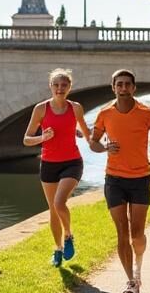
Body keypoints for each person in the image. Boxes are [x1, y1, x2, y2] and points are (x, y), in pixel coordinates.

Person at [90, 70, 150, 293]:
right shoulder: (105, 114)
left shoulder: (147, 112)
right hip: (113, 179)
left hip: (140, 178)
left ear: (134, 88)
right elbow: (93, 142)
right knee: (121, 232)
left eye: (127, 85)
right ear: (113, 87)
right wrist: (104, 148)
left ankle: (138, 269)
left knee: (137, 235)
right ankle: (131, 282)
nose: (123, 88)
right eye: (119, 84)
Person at [23, 68, 96, 267]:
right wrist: (42, 138)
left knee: (59, 203)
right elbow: (26, 139)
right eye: (56, 85)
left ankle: (68, 235)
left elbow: (87, 133)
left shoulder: (76, 108)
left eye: (64, 85)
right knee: (53, 210)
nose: (59, 88)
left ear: (69, 87)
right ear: (50, 86)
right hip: (48, 164)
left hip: (72, 162)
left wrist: (93, 140)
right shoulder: (41, 109)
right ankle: (57, 248)